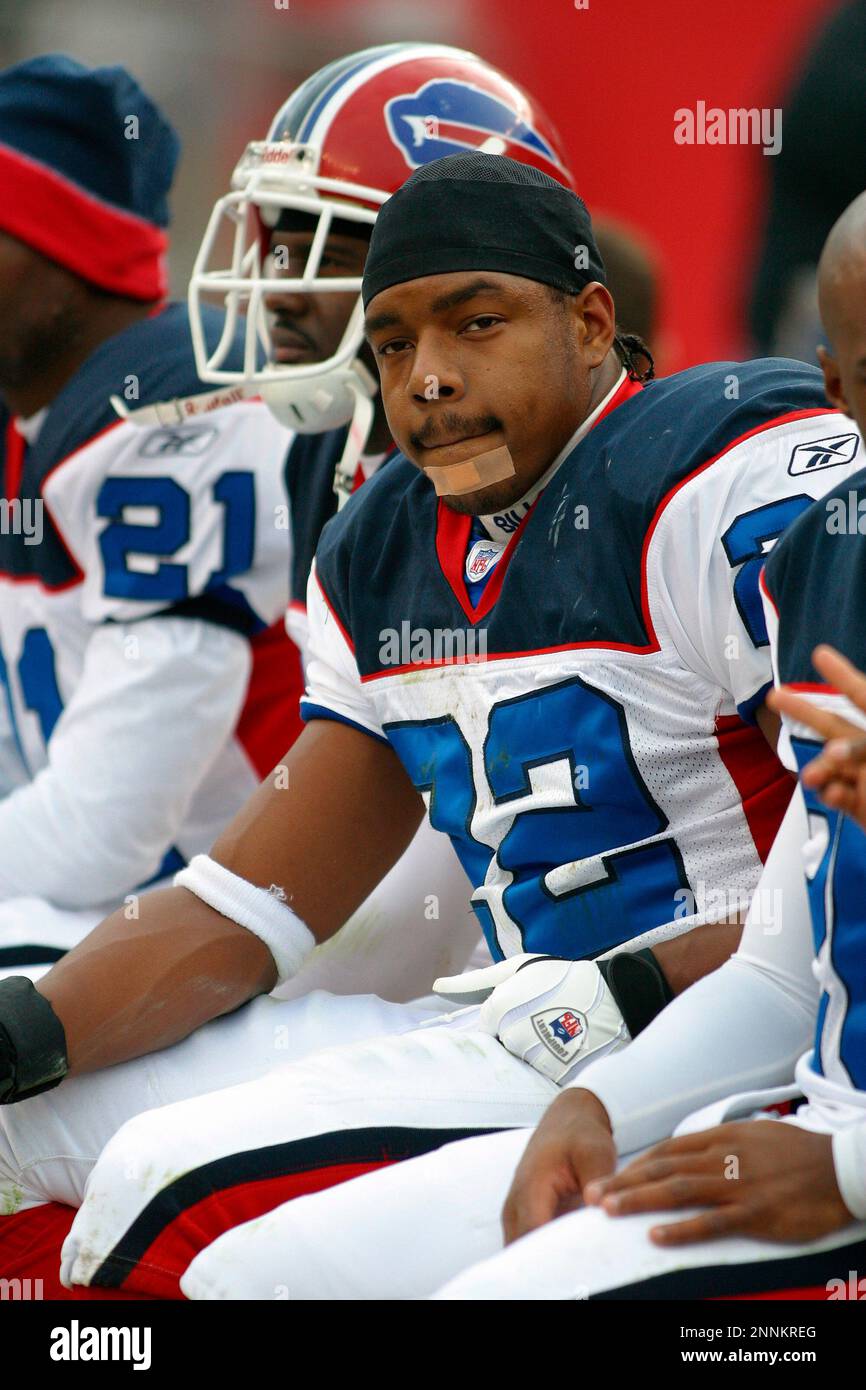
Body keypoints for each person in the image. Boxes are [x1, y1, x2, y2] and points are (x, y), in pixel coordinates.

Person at [21, 154, 861, 1300]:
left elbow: (811, 887)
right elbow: (249, 903)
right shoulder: (377, 548)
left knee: (170, 1196)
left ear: (590, 320)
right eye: (395, 344)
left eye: (476, 324)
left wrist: (633, 1006)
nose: (426, 381)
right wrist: (31, 1027)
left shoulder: (713, 472)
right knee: (32, 1119)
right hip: (523, 1021)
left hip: (706, 1036)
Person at [369, 188, 866, 1303]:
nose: (429, 381)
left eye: (475, 322)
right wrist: (597, 1105)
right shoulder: (834, 562)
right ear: (838, 395)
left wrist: (845, 1168)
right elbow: (788, 969)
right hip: (808, 1107)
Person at [0, 54, 301, 977]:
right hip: (113, 918)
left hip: (269, 922)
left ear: (67, 254)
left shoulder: (172, 412)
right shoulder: (29, 425)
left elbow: (105, 829)